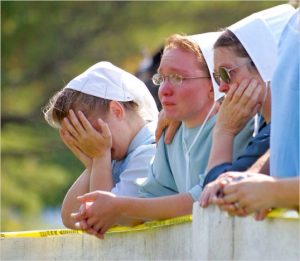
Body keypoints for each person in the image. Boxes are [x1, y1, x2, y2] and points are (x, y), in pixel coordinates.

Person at [70, 33, 254, 239]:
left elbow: (203, 199)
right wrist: (106, 211)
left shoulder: (238, 124)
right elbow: (149, 201)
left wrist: (119, 207)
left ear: (214, 84)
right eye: (162, 78)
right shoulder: (170, 132)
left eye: (177, 78)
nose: (164, 90)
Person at [197, 4, 297, 215]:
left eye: (226, 74)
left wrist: (223, 131)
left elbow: (217, 196)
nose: (222, 88)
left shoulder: (266, 130)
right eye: (216, 78)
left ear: (264, 66)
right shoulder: (263, 128)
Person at [43, 61, 158, 228]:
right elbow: (71, 218)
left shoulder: (150, 152)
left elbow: (103, 220)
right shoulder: (111, 160)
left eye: (93, 131)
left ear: (116, 111)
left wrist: (100, 156)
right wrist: (93, 165)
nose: (90, 143)